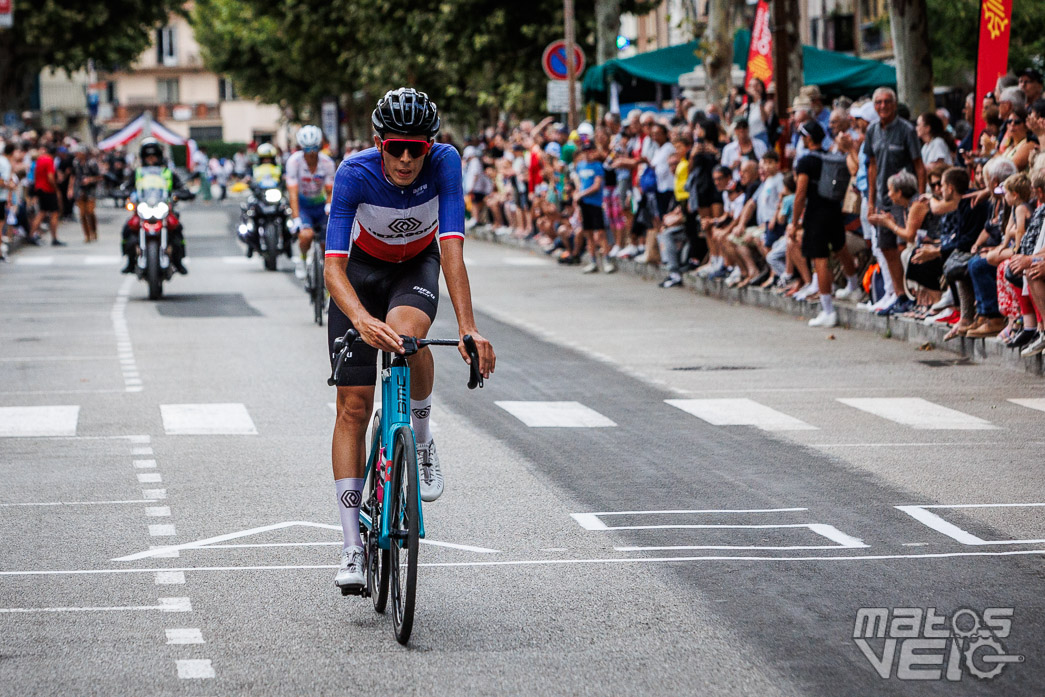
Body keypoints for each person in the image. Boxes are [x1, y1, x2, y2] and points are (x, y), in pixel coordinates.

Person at [324, 88, 495, 591]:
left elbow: (452, 252)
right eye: (396, 147)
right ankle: (353, 547)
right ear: (379, 143)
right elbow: (332, 268)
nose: (405, 158)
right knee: (353, 407)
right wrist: (358, 318)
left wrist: (468, 327)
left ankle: (419, 439)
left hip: (414, 267)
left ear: (430, 145)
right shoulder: (354, 173)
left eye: (415, 148)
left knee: (407, 335)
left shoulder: (445, 163)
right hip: (360, 272)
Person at [864, 87, 926, 313]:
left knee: (902, 245)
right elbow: (872, 166)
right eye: (878, 102)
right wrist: (870, 200)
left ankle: (910, 294)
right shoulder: (872, 130)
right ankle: (898, 294)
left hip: (903, 198)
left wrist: (919, 198)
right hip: (883, 196)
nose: (883, 106)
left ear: (894, 103)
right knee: (886, 246)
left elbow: (919, 165)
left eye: (887, 102)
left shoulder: (907, 130)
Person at [792, 121, 860, 327]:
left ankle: (828, 310)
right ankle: (853, 286)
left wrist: (794, 222)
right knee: (841, 248)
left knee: (820, 259)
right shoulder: (831, 158)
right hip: (833, 209)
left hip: (816, 213)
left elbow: (801, 193)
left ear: (808, 138)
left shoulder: (806, 162)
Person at [120, 138, 191, 274]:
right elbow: (126, 187)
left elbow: (181, 186)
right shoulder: (138, 172)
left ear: (159, 157)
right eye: (148, 157)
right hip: (143, 209)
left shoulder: (167, 173)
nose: (151, 160)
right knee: (127, 229)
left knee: (177, 229)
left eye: (154, 156)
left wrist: (183, 193)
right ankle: (129, 261)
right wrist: (122, 193)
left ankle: (179, 261)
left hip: (164, 208)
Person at [286, 125, 336, 280]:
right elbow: (292, 193)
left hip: (321, 205)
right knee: (306, 236)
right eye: (307, 149)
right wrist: (295, 218)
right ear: (301, 148)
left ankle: (325, 274)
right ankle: (301, 259)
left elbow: (330, 189)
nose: (312, 153)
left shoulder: (327, 162)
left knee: (325, 244)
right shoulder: (294, 162)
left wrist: (329, 204)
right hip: (304, 206)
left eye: (315, 148)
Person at [573, 141, 614, 274]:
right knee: (588, 233)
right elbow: (579, 185)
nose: (587, 153)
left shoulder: (597, 166)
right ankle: (593, 261)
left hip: (595, 202)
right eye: (585, 151)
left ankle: (606, 260)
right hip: (583, 203)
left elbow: (597, 185)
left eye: (590, 150)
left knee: (600, 233)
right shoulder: (580, 166)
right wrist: (577, 199)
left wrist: (581, 194)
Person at [70, 146, 101, 242]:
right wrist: (70, 188)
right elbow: (73, 176)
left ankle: (93, 231)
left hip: (90, 191)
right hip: (79, 190)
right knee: (82, 214)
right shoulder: (75, 163)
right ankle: (86, 235)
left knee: (90, 212)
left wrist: (90, 180)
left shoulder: (92, 163)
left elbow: (99, 177)